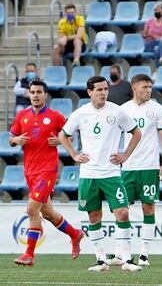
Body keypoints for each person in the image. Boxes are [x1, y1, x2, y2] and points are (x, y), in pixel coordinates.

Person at [58, 76, 143, 272]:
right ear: (89, 92)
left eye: (105, 89)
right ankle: (100, 260)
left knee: (122, 212)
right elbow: (63, 135)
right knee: (94, 215)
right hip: (89, 174)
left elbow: (136, 132)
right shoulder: (80, 114)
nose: (103, 93)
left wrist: (125, 155)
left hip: (111, 173)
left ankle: (127, 259)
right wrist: (74, 154)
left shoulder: (117, 111)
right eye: (99, 90)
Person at [9, 80, 83, 266]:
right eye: (32, 92)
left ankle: (29, 254)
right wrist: (16, 139)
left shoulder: (55, 116)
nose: (35, 95)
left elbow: (69, 135)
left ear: (45, 94)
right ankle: (75, 234)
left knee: (31, 209)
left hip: (47, 170)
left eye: (39, 92)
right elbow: (11, 140)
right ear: (29, 94)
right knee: (48, 213)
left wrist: (59, 141)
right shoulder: (21, 116)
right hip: (29, 171)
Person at [116, 74, 162, 267]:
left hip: (149, 167)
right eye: (145, 87)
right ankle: (122, 253)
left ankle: (145, 254)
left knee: (148, 208)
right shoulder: (123, 110)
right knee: (122, 210)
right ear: (134, 88)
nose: (149, 90)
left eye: (150, 87)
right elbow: (114, 136)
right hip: (128, 167)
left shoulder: (157, 109)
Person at [142, 2, 162, 66]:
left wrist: (152, 36)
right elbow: (144, 35)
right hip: (149, 44)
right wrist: (146, 34)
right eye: (155, 10)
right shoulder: (149, 22)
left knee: (157, 48)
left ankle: (157, 68)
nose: (156, 12)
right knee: (157, 45)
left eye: (157, 10)